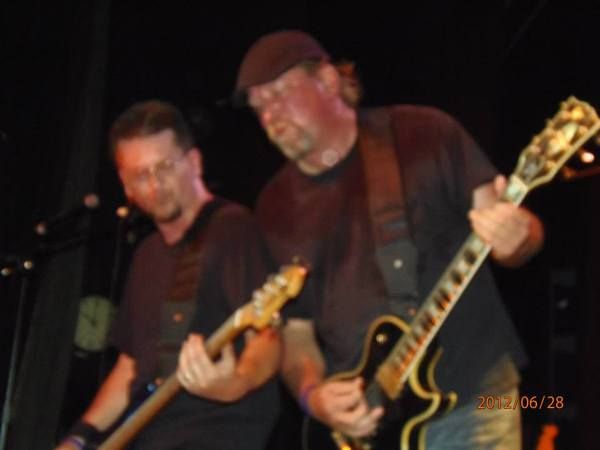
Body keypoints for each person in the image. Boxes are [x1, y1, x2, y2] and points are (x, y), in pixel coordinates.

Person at [235, 30, 544, 449]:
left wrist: (518, 236)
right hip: (370, 424)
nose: (269, 115)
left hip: (474, 395)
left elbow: (511, 229)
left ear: (327, 80)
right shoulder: (274, 206)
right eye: (259, 106)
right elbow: (295, 333)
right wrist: (314, 397)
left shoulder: (423, 133)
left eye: (279, 94)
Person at [56, 100, 281, 450]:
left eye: (164, 166)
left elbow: (269, 337)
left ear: (195, 162)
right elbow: (130, 367)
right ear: (126, 186)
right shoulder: (146, 255)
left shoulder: (232, 229)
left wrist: (234, 383)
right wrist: (79, 437)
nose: (155, 184)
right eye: (140, 175)